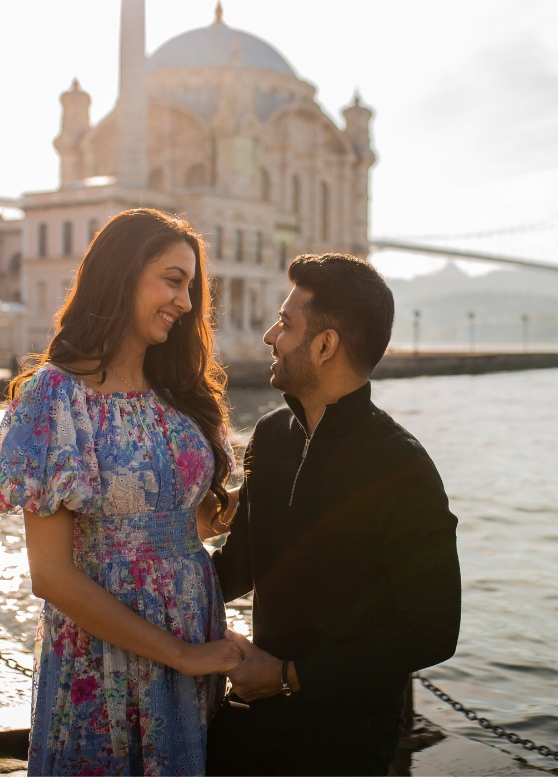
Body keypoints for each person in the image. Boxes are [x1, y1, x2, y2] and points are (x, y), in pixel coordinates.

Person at [0, 208, 243, 776]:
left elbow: (184, 527)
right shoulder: (55, 399)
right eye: (172, 280)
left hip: (193, 646)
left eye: (192, 287)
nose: (186, 301)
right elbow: (50, 574)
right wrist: (184, 653)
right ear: (122, 273)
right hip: (106, 658)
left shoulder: (179, 396)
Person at [207, 253, 462, 776]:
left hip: (344, 743)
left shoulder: (402, 467)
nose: (269, 335)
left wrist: (287, 675)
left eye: (286, 323)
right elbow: (237, 568)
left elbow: (432, 630)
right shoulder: (271, 436)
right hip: (253, 718)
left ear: (324, 346)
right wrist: (132, 588)